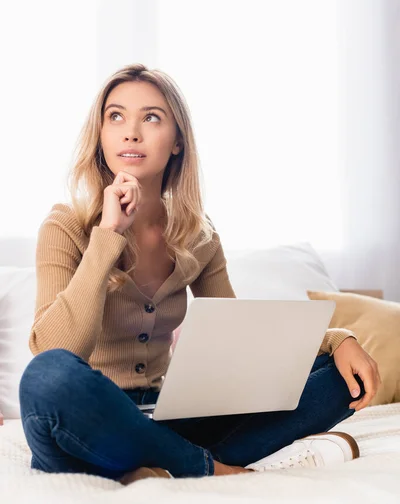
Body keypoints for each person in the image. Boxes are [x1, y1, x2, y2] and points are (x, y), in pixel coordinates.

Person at [19, 63, 382, 484]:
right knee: (47, 377)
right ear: (100, 135)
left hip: (169, 419)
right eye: (115, 116)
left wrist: (338, 341)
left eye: (151, 117)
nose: (130, 132)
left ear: (176, 142)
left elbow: (237, 336)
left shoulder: (197, 234)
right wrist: (109, 233)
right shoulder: (65, 226)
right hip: (88, 418)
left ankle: (155, 466)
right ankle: (203, 466)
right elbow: (55, 351)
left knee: (339, 378)